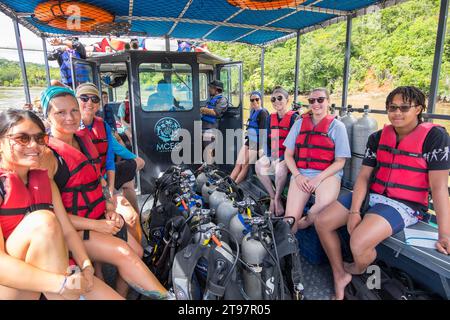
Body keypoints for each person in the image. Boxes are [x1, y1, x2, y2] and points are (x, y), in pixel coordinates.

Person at [314, 86, 450, 300]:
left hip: (405, 204)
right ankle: (340, 274)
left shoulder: (435, 138)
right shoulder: (377, 137)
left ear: (419, 109)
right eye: (392, 107)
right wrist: (354, 211)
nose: (397, 112)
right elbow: (363, 177)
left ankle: (358, 268)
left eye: (404, 107)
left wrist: (444, 234)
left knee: (358, 243)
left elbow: (440, 187)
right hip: (373, 195)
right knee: (322, 221)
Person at [38, 86, 170, 299]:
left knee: (136, 251)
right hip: (73, 229)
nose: (70, 117)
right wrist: (98, 225)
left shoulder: (83, 139)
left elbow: (95, 182)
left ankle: (119, 293)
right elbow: (52, 216)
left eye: (73, 111)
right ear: (47, 116)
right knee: (126, 253)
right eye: (60, 112)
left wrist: (109, 207)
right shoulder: (47, 156)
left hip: (98, 217)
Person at [0, 109, 123, 300]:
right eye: (22, 138)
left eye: (39, 138)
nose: (33, 145)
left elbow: (67, 231)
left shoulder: (45, 183)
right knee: (44, 221)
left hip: (56, 270)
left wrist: (86, 266)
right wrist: (61, 284)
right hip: (13, 285)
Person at [283, 88, 350, 233]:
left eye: (320, 100)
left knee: (324, 203)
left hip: (328, 174)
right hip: (302, 172)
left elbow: (340, 162)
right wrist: (297, 175)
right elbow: (288, 155)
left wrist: (318, 179)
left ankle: (308, 220)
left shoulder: (338, 127)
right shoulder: (299, 124)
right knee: (289, 221)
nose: (316, 104)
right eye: (312, 101)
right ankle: (288, 250)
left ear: (328, 102)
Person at [255, 86, 298, 216]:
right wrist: (270, 157)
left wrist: (280, 159)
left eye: (280, 98)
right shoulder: (270, 118)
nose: (276, 101)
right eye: (273, 99)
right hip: (274, 154)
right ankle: (273, 196)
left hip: (289, 157)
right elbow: (268, 141)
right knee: (258, 164)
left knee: (279, 168)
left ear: (287, 100)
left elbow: (296, 144)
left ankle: (277, 198)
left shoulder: (294, 118)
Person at [230, 91, 268, 184]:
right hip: (249, 140)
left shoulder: (263, 113)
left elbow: (263, 133)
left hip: (257, 143)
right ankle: (229, 183)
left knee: (245, 164)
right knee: (238, 163)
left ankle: (234, 186)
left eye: (257, 99)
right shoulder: (253, 111)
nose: (254, 101)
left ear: (260, 99)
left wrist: (261, 149)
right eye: (252, 100)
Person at [201, 80, 229, 164]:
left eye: (211, 88)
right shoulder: (212, 99)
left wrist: (204, 109)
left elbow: (216, 112)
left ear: (216, 89)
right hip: (205, 127)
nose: (209, 89)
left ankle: (210, 168)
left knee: (208, 149)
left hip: (212, 128)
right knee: (207, 149)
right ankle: (209, 167)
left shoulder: (222, 100)